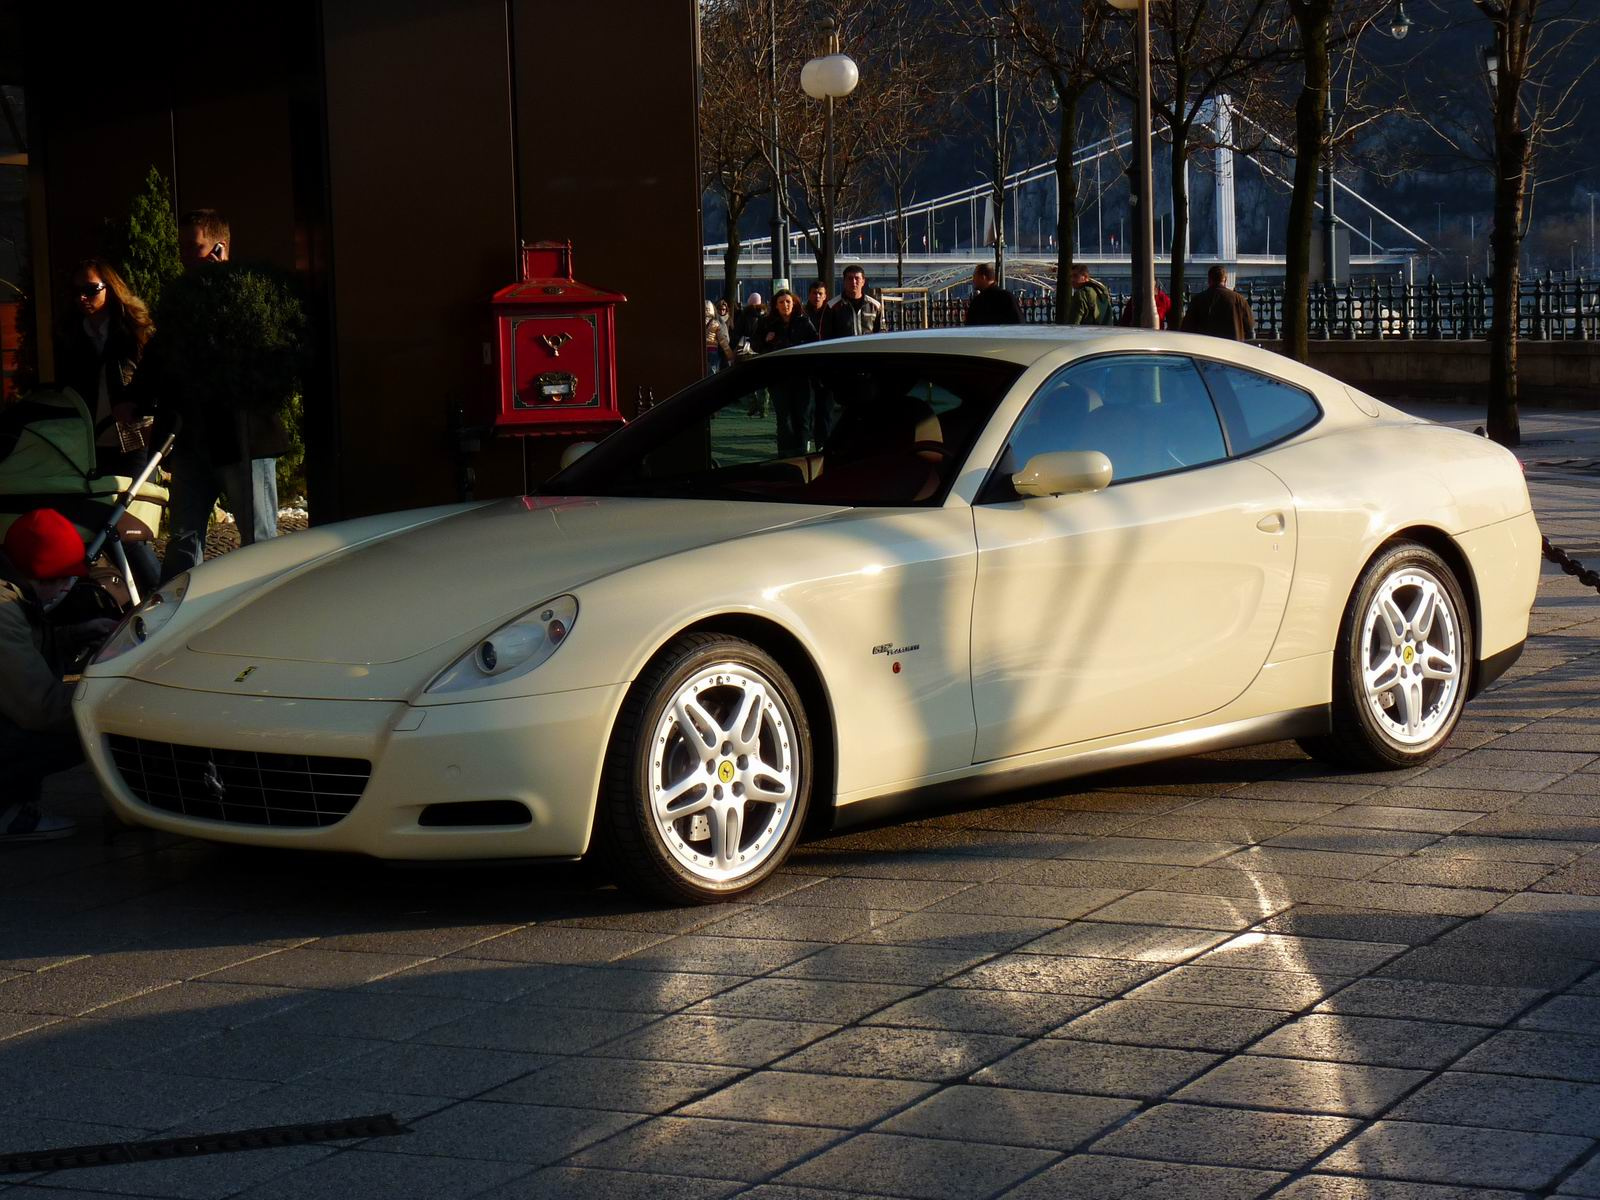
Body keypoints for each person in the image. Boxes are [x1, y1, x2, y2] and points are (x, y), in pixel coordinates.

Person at [158, 209, 290, 581]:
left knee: (258, 542)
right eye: (181, 246)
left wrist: (225, 285)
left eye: (193, 246)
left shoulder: (249, 294)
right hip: (193, 437)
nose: (185, 255)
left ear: (218, 247)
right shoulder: (180, 301)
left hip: (242, 436)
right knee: (183, 541)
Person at [0, 509, 118, 842]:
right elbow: (41, 709)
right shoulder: (3, 612)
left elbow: (21, 652)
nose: (67, 590)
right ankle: (6, 811)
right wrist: (112, 702)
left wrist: (74, 635)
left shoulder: (11, 593)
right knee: (85, 726)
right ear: (46, 578)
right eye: (66, 581)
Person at [54, 257, 160, 595]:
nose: (82, 298)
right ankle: (126, 598)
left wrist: (141, 408)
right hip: (92, 444)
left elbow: (155, 380)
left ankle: (158, 596)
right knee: (98, 527)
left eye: (90, 290)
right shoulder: (73, 337)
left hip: (133, 440)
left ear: (109, 289)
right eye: (77, 292)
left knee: (129, 528)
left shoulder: (132, 329)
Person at [755, 289, 820, 455]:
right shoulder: (767, 323)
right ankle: (784, 454)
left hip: (801, 376)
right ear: (776, 306)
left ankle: (802, 453)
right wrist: (765, 340)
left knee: (803, 418)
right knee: (784, 419)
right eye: (781, 302)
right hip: (778, 376)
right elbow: (755, 345)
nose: (785, 305)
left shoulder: (803, 322)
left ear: (794, 303)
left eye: (788, 302)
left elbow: (815, 343)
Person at [1180, 265, 1256, 340]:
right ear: (1225, 280)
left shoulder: (1198, 299)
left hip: (1205, 347)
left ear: (1209, 280)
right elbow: (1250, 330)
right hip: (1233, 347)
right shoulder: (1239, 299)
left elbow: (1187, 328)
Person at [820, 265, 885, 339]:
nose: (853, 282)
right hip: (843, 349)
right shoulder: (832, 306)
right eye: (850, 279)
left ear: (863, 281)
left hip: (868, 349)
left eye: (857, 278)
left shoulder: (875, 306)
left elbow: (881, 333)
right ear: (844, 281)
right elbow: (824, 336)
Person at [703, 300, 731, 376]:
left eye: (723, 309)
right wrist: (730, 355)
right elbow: (724, 340)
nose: (722, 311)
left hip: (702, 351)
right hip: (713, 349)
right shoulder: (716, 322)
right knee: (713, 372)